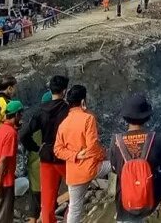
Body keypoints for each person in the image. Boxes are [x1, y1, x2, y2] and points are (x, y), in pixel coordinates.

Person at [110, 94, 161, 222]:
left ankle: (124, 217)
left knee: (119, 177)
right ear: (146, 117)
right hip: (151, 197)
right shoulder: (156, 139)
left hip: (126, 202)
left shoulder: (115, 141)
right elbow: (160, 166)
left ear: (126, 118)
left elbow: (114, 169)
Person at [54, 85, 111, 223]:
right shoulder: (88, 119)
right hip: (91, 168)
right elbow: (93, 146)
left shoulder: (63, 124)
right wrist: (103, 155)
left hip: (74, 173)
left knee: (74, 208)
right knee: (117, 164)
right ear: (83, 101)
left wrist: (75, 155)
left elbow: (57, 150)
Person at [20, 76, 70, 223]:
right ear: (65, 91)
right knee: (75, 189)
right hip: (64, 156)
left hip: (46, 155)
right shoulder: (68, 110)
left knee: (47, 198)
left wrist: (36, 148)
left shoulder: (40, 110)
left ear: (50, 90)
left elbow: (23, 135)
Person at [0, 100, 23, 223]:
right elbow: (3, 161)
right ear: (17, 115)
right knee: (2, 217)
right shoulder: (11, 133)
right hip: (4, 182)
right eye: (21, 114)